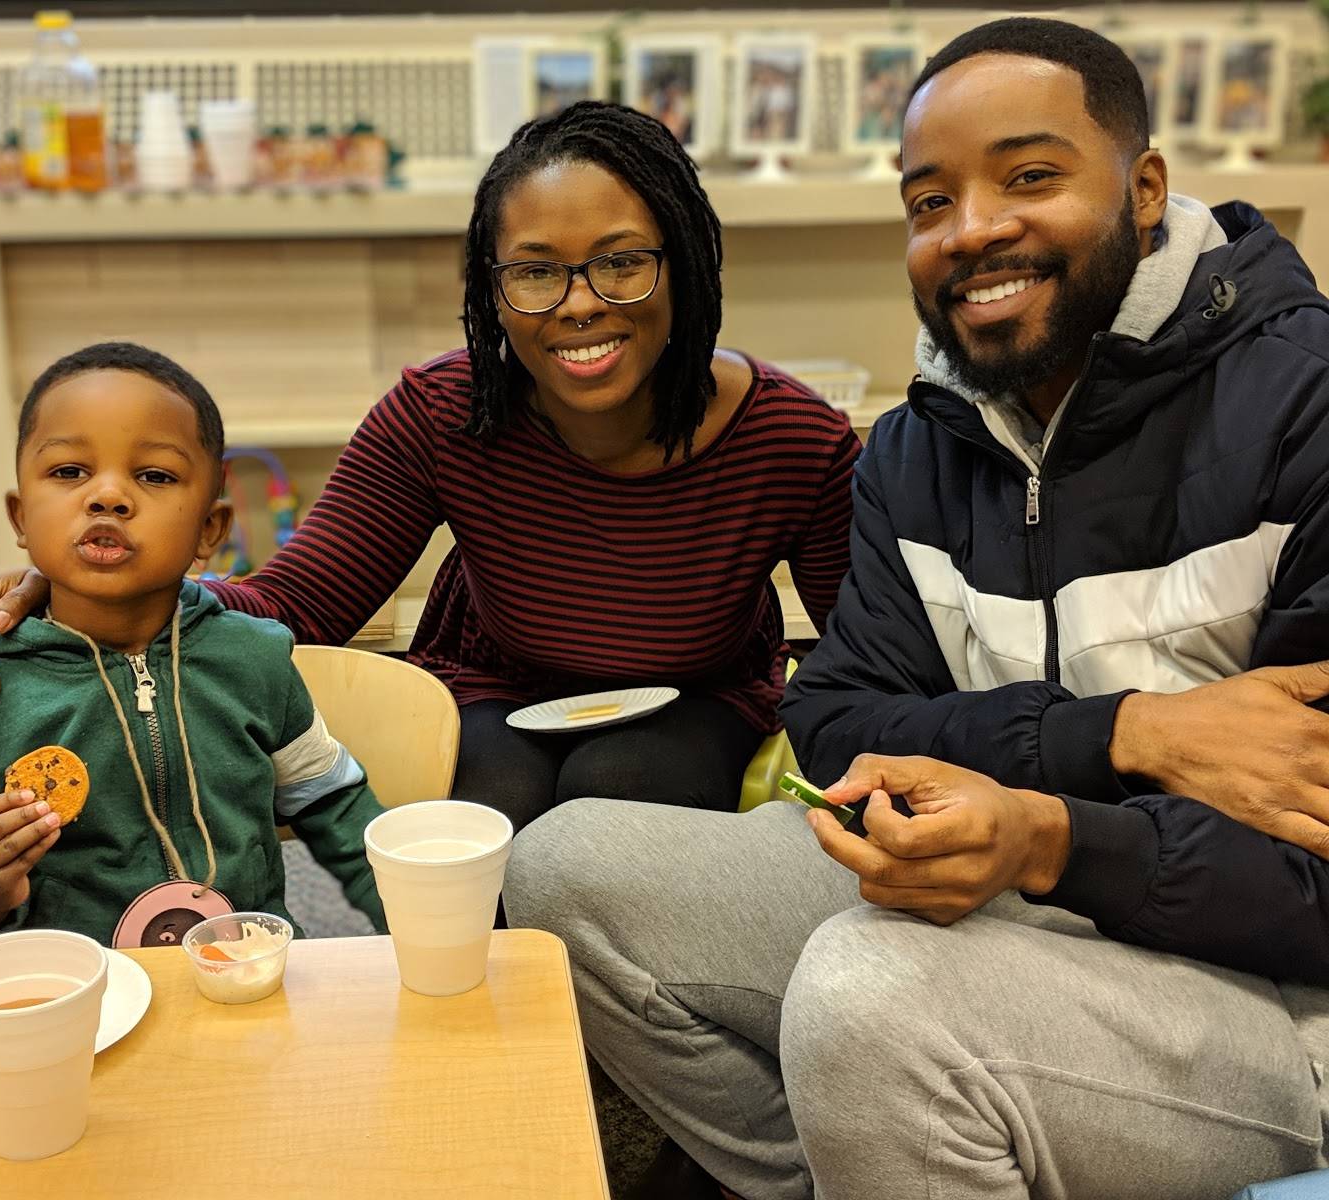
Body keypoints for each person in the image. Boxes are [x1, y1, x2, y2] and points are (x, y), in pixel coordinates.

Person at [504, 18, 1329, 1200]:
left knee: (868, 997)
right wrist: (1122, 736)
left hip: (1267, 998)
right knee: (563, 872)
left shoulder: (1303, 406)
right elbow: (835, 716)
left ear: (1144, 190)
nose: (972, 229)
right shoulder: (916, 447)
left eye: (1030, 177)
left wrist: (1050, 836)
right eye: (928, 199)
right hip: (1004, 901)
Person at [0, 101, 861, 834]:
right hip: (501, 682)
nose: (579, 304)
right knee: (483, 825)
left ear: (685, 266)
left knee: (625, 797)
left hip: (696, 695)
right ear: (492, 291)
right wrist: (80, 587)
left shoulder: (793, 440)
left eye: (621, 264)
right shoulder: (442, 412)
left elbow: (864, 651)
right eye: (535, 271)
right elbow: (302, 603)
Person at [0, 342, 386, 949]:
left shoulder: (256, 660)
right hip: (81, 998)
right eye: (69, 472)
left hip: (248, 975)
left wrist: (418, 923)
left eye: (154, 475)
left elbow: (335, 805)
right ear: (21, 518)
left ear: (209, 529)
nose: (108, 496)